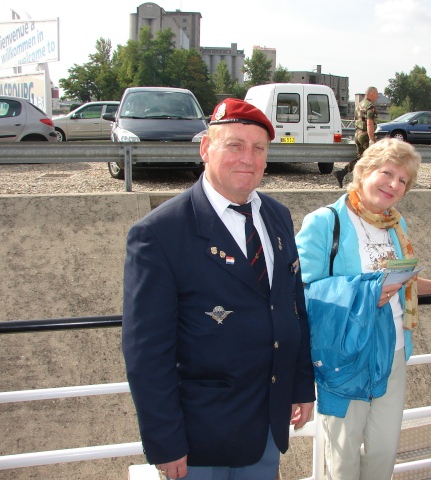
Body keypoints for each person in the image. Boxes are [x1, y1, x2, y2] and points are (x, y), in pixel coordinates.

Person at [122, 98, 316, 480]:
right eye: (235, 145)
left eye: (258, 148)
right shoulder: (159, 234)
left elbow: (293, 306)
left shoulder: (277, 216)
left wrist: (301, 385)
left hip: (266, 420)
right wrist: (165, 440)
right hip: (200, 436)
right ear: (206, 148)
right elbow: (147, 351)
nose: (249, 158)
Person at [296, 138, 431, 480]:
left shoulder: (396, 225)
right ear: (364, 171)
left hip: (392, 350)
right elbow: (300, 292)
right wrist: (364, 294)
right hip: (347, 356)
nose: (394, 185)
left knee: (383, 452)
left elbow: (400, 280)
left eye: (403, 181)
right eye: (387, 173)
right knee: (343, 456)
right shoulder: (325, 222)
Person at [334, 86, 379, 188]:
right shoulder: (370, 106)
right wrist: (372, 139)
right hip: (365, 135)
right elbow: (369, 123)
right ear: (371, 93)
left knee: (360, 158)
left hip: (357, 134)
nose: (377, 96)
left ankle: (343, 173)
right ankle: (363, 181)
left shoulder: (360, 105)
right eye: (376, 94)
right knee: (368, 159)